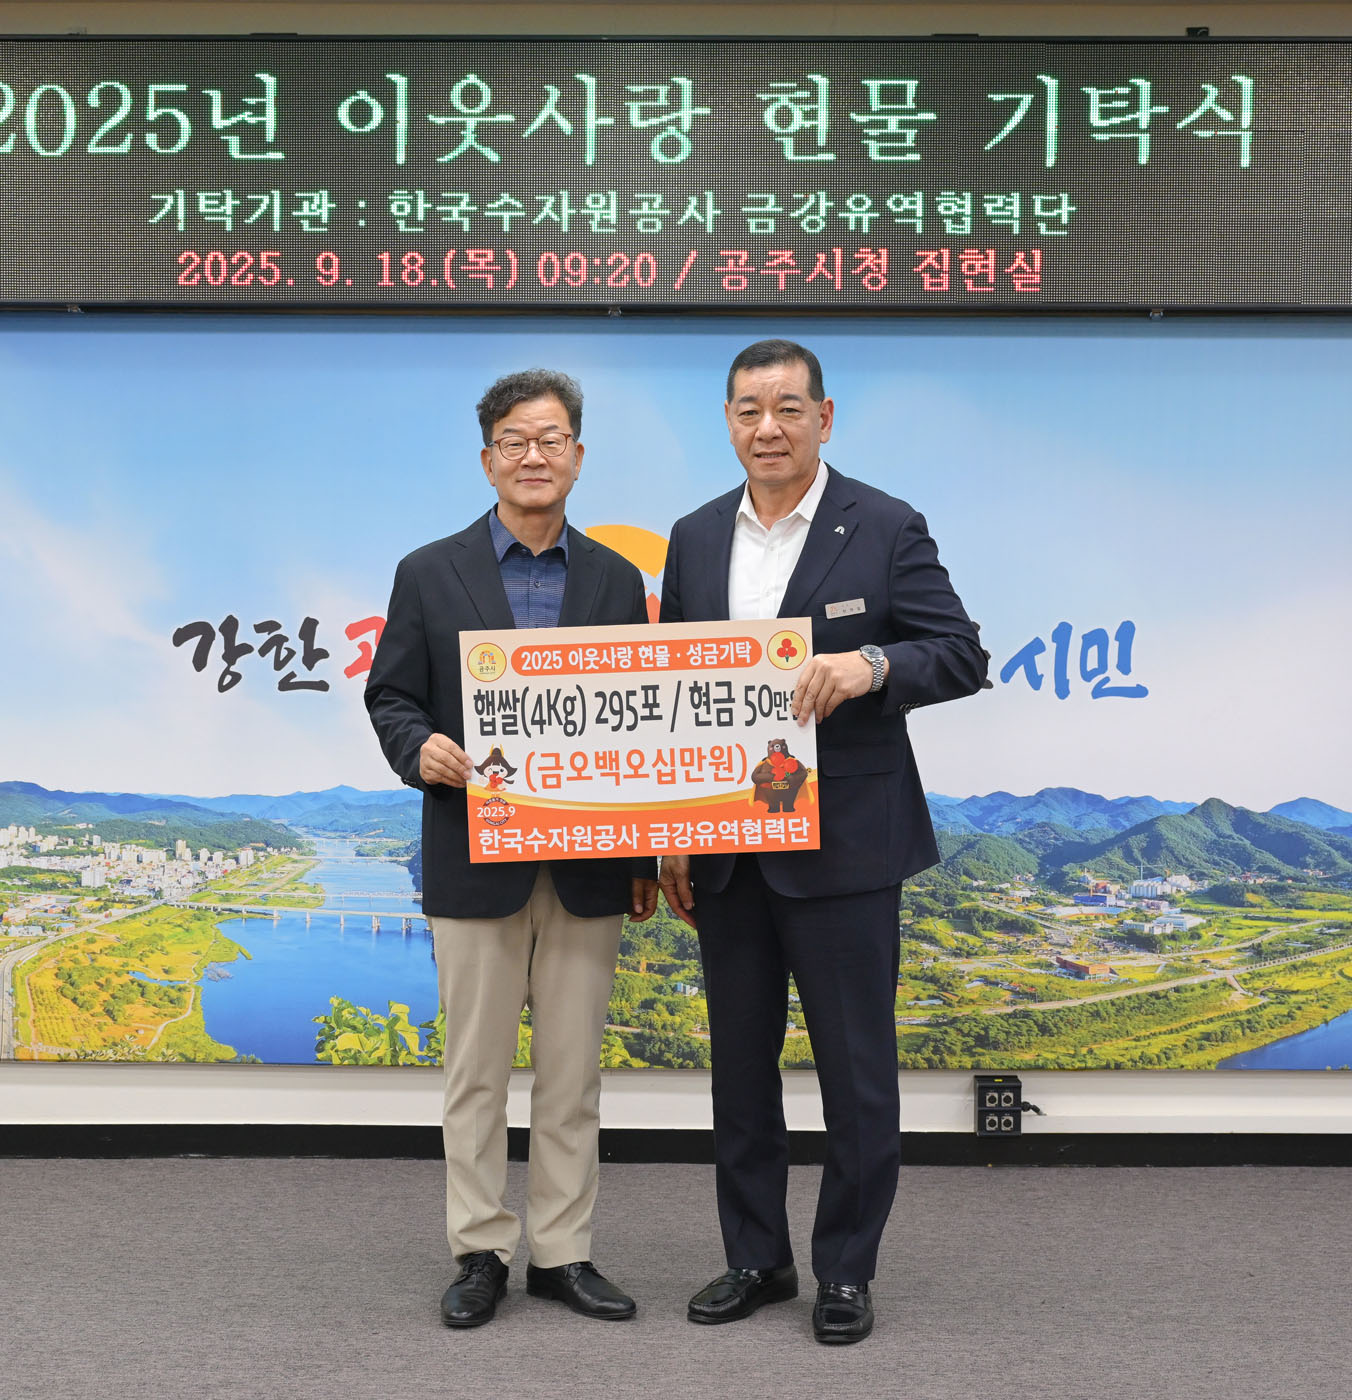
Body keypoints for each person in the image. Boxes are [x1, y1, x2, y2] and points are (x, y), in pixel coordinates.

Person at [656, 339, 985, 1345]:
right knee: (739, 1072)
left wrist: (870, 665)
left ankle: (846, 1270)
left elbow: (960, 653)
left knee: (856, 1072)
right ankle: (755, 1257)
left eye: (789, 408)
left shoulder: (884, 525)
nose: (769, 428)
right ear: (728, 421)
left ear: (825, 417)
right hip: (726, 843)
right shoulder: (694, 535)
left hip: (845, 844)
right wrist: (675, 831)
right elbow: (678, 696)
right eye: (749, 410)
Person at [365, 368, 658, 1329]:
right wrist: (419, 748)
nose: (534, 455)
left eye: (552, 439)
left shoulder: (616, 580)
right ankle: (481, 1250)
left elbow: (640, 726)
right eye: (515, 441)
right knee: (477, 1076)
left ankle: (563, 1253)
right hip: (472, 855)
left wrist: (645, 854)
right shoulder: (428, 571)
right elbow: (391, 695)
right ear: (488, 457)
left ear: (578, 454)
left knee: (573, 1077)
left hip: (586, 864)